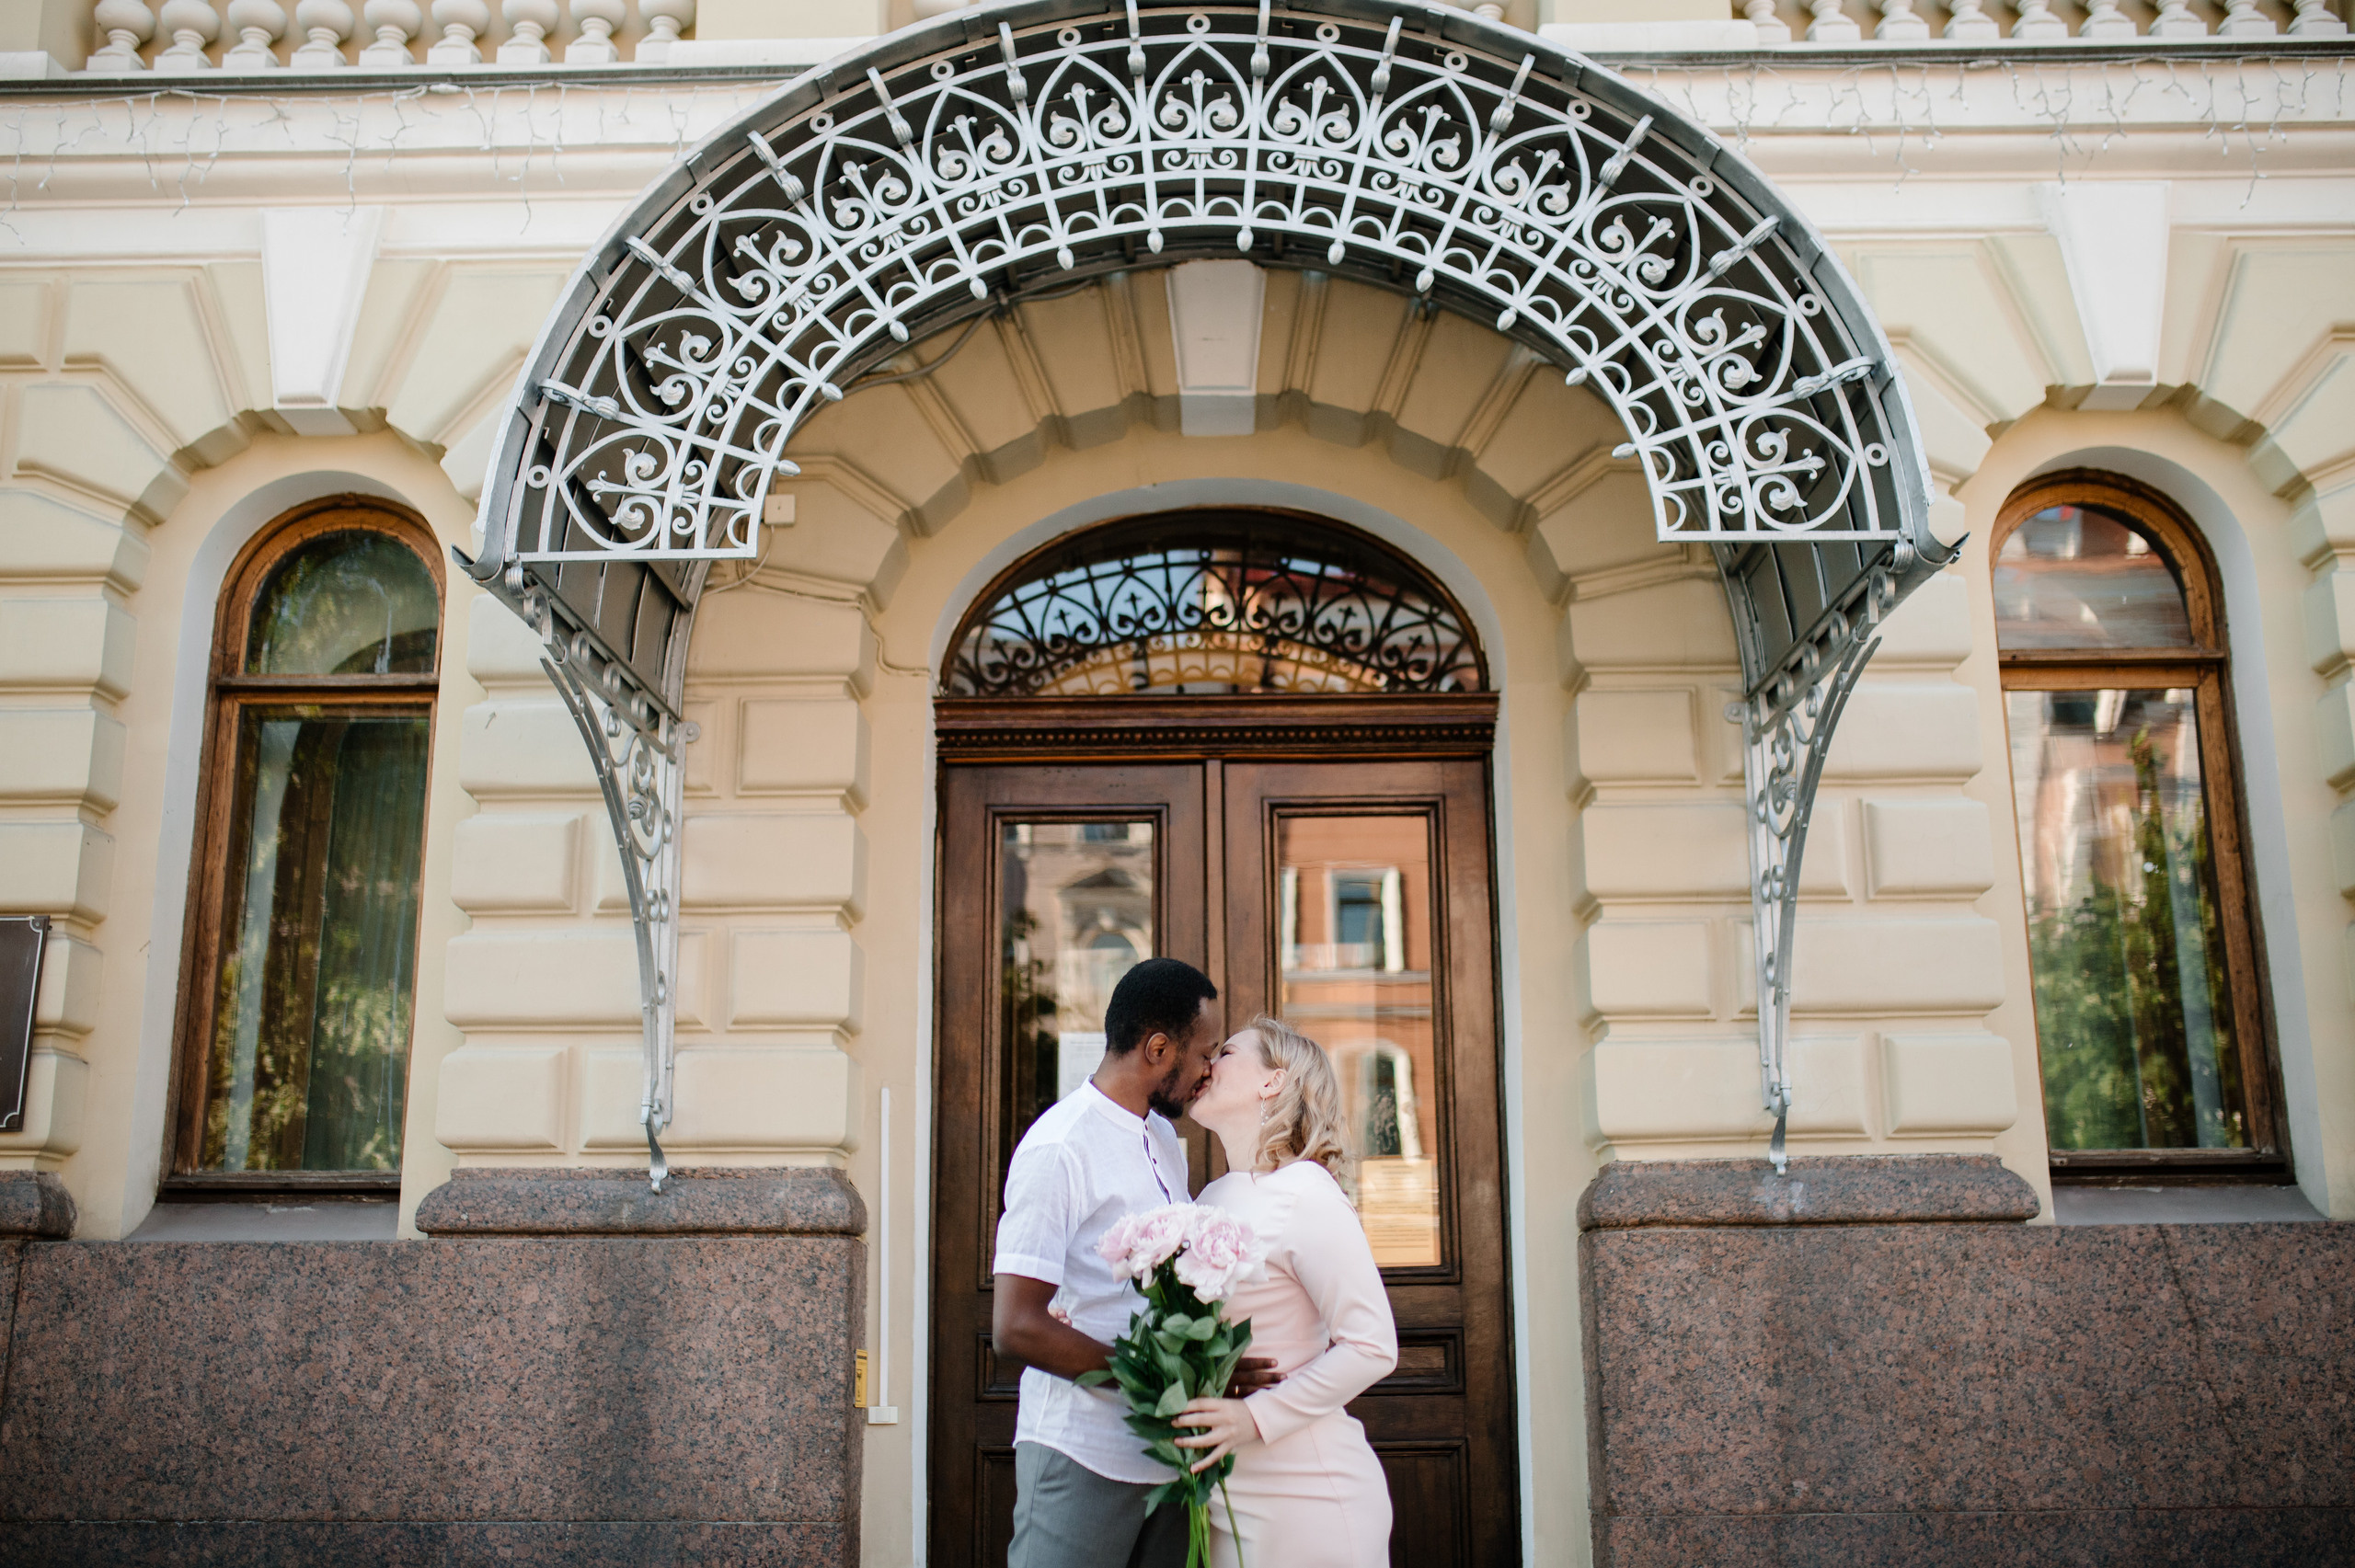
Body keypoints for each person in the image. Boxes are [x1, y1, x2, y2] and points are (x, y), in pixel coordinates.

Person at [991, 957, 1279, 1568]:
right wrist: (1159, 1380)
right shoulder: (1059, 1147)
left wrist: (1203, 1373)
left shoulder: (1163, 1142)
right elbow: (1015, 1324)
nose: (1209, 1071)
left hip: (1166, 1458)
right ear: (1156, 1047)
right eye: (1204, 1054)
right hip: (1081, 1452)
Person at [1171, 1016, 1398, 1568]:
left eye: (1225, 1052)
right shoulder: (1213, 1196)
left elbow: (1372, 1346)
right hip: (1226, 1493)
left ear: (1272, 1081)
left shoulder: (1307, 1192)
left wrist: (1253, 1419)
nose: (1207, 1063)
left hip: (1307, 1494)